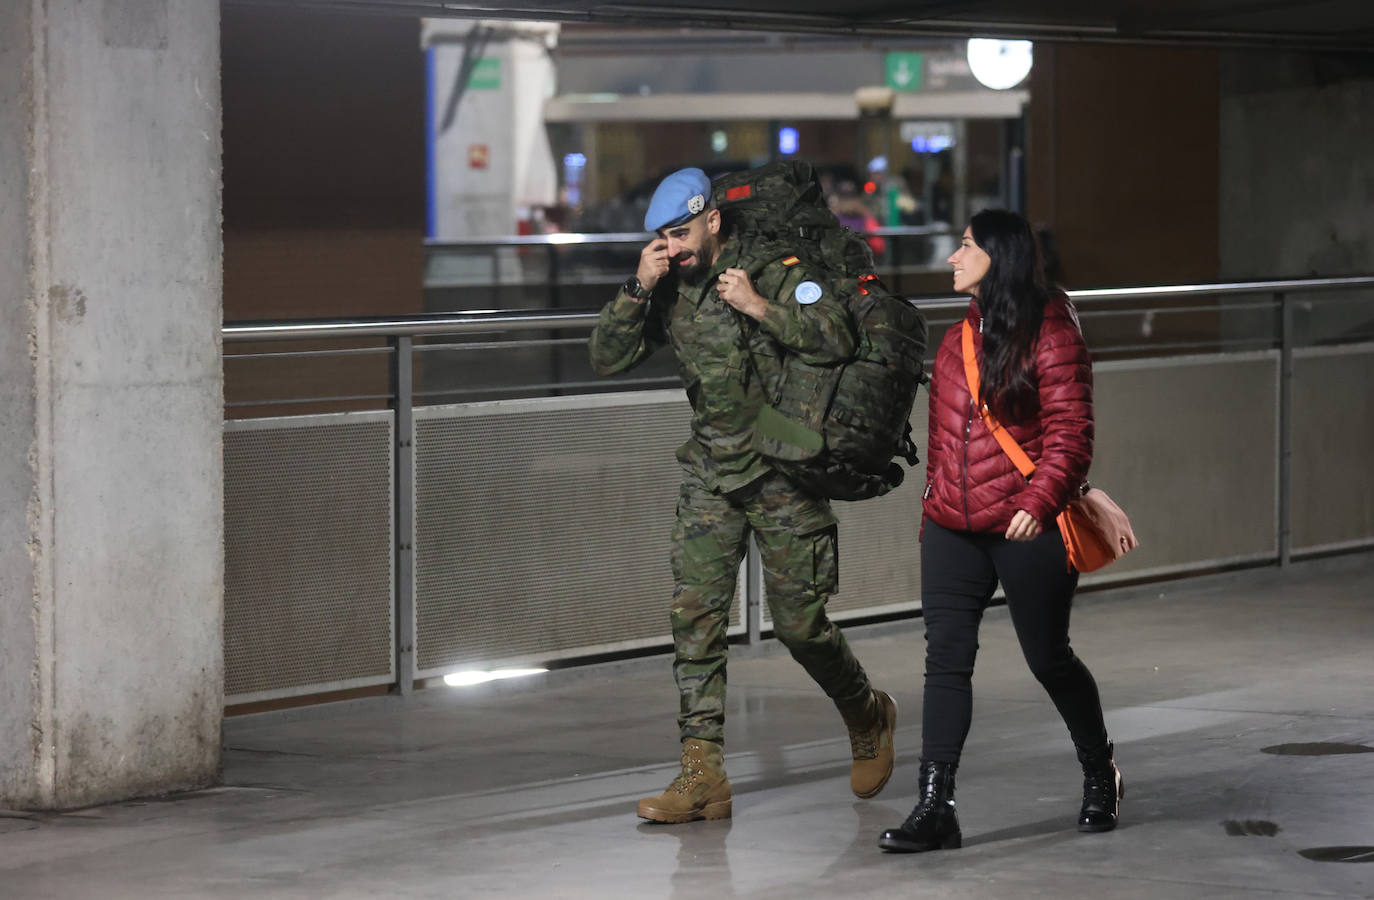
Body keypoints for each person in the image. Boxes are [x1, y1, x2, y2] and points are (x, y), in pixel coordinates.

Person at [589, 167, 898, 824]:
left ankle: (867, 713)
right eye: (664, 238)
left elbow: (837, 334)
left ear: (713, 220)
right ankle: (702, 776)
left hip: (782, 467)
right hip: (710, 473)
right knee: (694, 620)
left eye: (681, 233)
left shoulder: (775, 268)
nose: (674, 247)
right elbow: (605, 356)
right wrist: (636, 286)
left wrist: (760, 305)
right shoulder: (668, 285)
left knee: (800, 627)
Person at [878, 209, 1123, 853]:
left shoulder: (1052, 331)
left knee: (1048, 659)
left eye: (964, 247)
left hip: (1024, 524)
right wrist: (933, 503)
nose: (952, 259)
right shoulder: (957, 337)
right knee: (945, 664)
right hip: (953, 529)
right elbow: (943, 434)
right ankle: (936, 807)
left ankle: (1101, 772)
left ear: (999, 256)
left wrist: (1040, 502)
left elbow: (1072, 434)